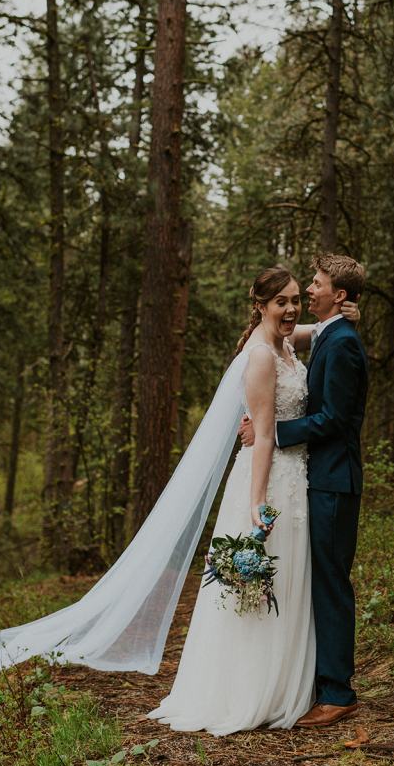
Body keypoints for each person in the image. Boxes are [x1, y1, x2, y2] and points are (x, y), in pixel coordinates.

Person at [148, 265, 362, 736]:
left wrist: (348, 312)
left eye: (298, 297)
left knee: (292, 582)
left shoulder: (289, 341)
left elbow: (318, 330)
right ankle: (251, 687)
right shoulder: (262, 355)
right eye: (282, 301)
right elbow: (263, 436)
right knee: (270, 584)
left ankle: (296, 684)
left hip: (299, 477)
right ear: (261, 306)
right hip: (271, 480)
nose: (293, 306)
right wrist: (257, 504)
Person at [240, 253, 368, 727]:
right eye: (300, 290)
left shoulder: (343, 345)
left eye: (315, 285)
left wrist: (272, 433)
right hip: (318, 478)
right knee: (319, 582)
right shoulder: (329, 334)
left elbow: (336, 419)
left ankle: (338, 692)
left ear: (337, 294)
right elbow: (276, 331)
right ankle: (319, 682)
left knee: (332, 585)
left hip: (334, 481)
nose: (307, 293)